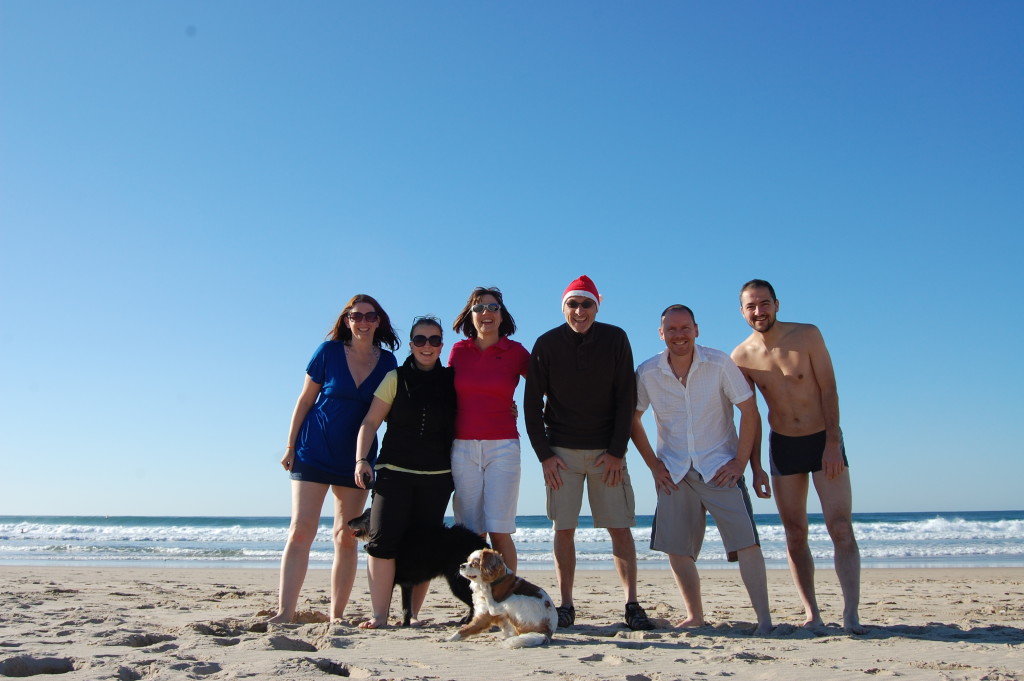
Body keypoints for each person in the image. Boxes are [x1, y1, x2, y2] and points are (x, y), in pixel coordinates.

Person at [731, 279, 865, 634]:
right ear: (742, 312)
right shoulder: (741, 357)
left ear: (777, 304)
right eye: (751, 306)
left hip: (823, 440)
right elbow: (751, 415)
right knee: (794, 532)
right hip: (784, 446)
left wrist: (833, 443)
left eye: (764, 303)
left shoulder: (807, 335)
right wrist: (755, 466)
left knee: (840, 527)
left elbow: (829, 389)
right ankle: (812, 613)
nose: (759, 311)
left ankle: (851, 614)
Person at [631, 305, 773, 634]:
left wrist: (741, 463)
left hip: (720, 467)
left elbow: (749, 410)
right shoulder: (648, 372)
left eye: (685, 328)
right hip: (675, 472)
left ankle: (765, 620)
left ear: (696, 330)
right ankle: (695, 616)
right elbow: (632, 419)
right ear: (661, 333)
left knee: (747, 543)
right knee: (677, 548)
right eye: (671, 329)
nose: (679, 335)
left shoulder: (719, 362)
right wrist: (654, 466)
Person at [524, 274, 654, 631]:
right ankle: (566, 605)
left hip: (606, 454)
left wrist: (617, 451)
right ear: (563, 307)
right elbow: (531, 404)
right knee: (563, 529)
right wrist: (544, 455)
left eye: (586, 304)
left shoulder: (616, 338)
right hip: (560, 453)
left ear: (597, 307)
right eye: (573, 304)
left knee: (620, 528)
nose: (579, 311)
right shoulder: (546, 344)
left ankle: (631, 604)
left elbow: (626, 396)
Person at [270, 295, 400, 624]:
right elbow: (305, 400)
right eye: (356, 316)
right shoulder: (327, 352)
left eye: (370, 316)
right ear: (347, 320)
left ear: (378, 321)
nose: (363, 322)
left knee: (346, 536)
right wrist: (290, 445)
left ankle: (336, 615)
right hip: (313, 450)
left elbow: (390, 410)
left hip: (356, 459)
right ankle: (285, 612)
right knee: (301, 531)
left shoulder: (388, 362)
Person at [354, 316, 457, 629]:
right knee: (381, 543)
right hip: (393, 473)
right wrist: (361, 460)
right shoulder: (394, 377)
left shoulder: (452, 379)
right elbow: (370, 422)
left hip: (438, 477)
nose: (427, 346)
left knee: (422, 549)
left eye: (434, 340)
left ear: (441, 345)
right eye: (420, 340)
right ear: (411, 345)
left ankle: (411, 616)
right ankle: (380, 616)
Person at [448, 287, 530, 571]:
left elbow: (545, 386)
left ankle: (508, 592)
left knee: (499, 529)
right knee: (471, 532)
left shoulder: (516, 352)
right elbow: (445, 394)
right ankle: (476, 596)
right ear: (470, 316)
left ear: (501, 314)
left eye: (493, 307)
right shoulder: (458, 351)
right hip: (462, 448)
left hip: (503, 447)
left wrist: (525, 409)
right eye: (479, 308)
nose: (486, 313)